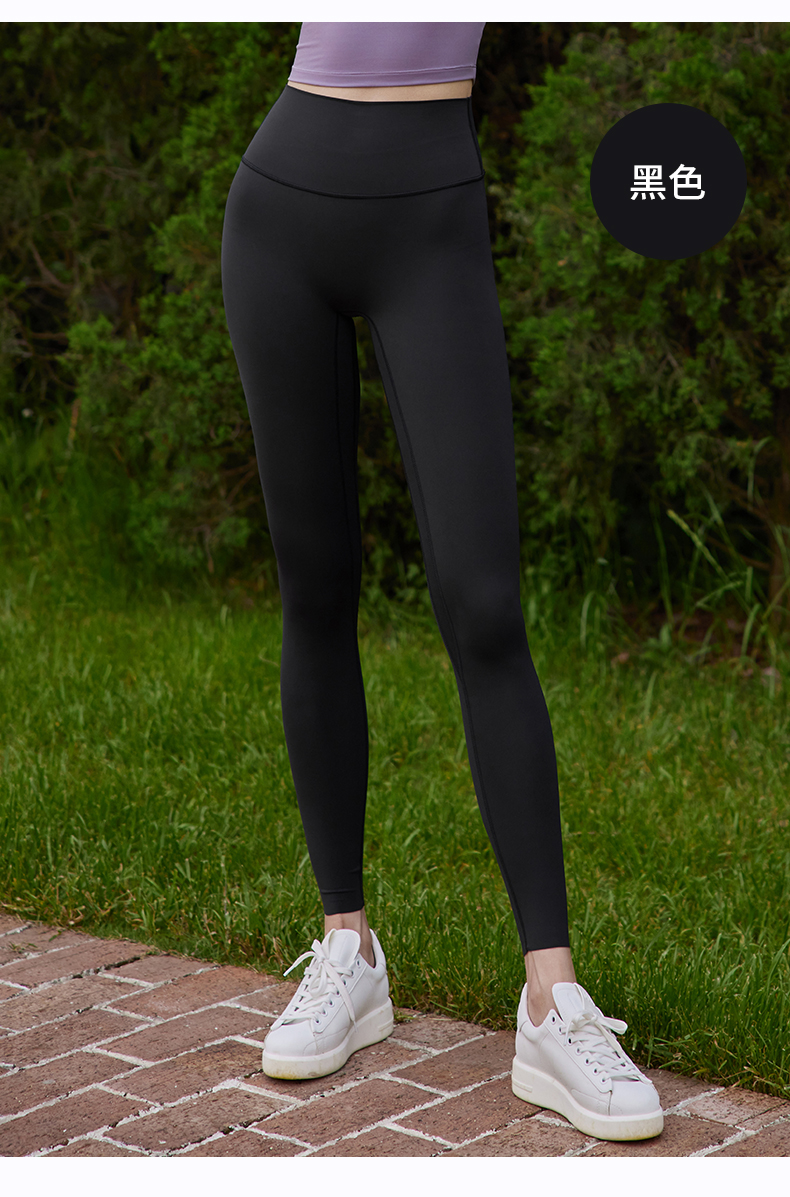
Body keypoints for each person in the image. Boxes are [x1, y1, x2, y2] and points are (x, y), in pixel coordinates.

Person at [220, 22, 663, 1143]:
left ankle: (552, 1000)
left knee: (485, 605)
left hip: (429, 219)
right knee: (315, 585)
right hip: (278, 209)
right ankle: (348, 948)